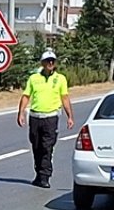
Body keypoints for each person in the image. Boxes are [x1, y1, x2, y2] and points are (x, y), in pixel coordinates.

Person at [17, 50, 75, 188]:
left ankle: (45, 176)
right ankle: (39, 174)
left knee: (47, 147)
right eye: (48, 61)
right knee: (36, 146)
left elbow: (65, 98)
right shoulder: (34, 78)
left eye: (52, 61)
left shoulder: (60, 79)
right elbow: (26, 96)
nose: (50, 63)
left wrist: (70, 116)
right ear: (42, 63)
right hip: (35, 117)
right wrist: (21, 113)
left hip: (51, 118)